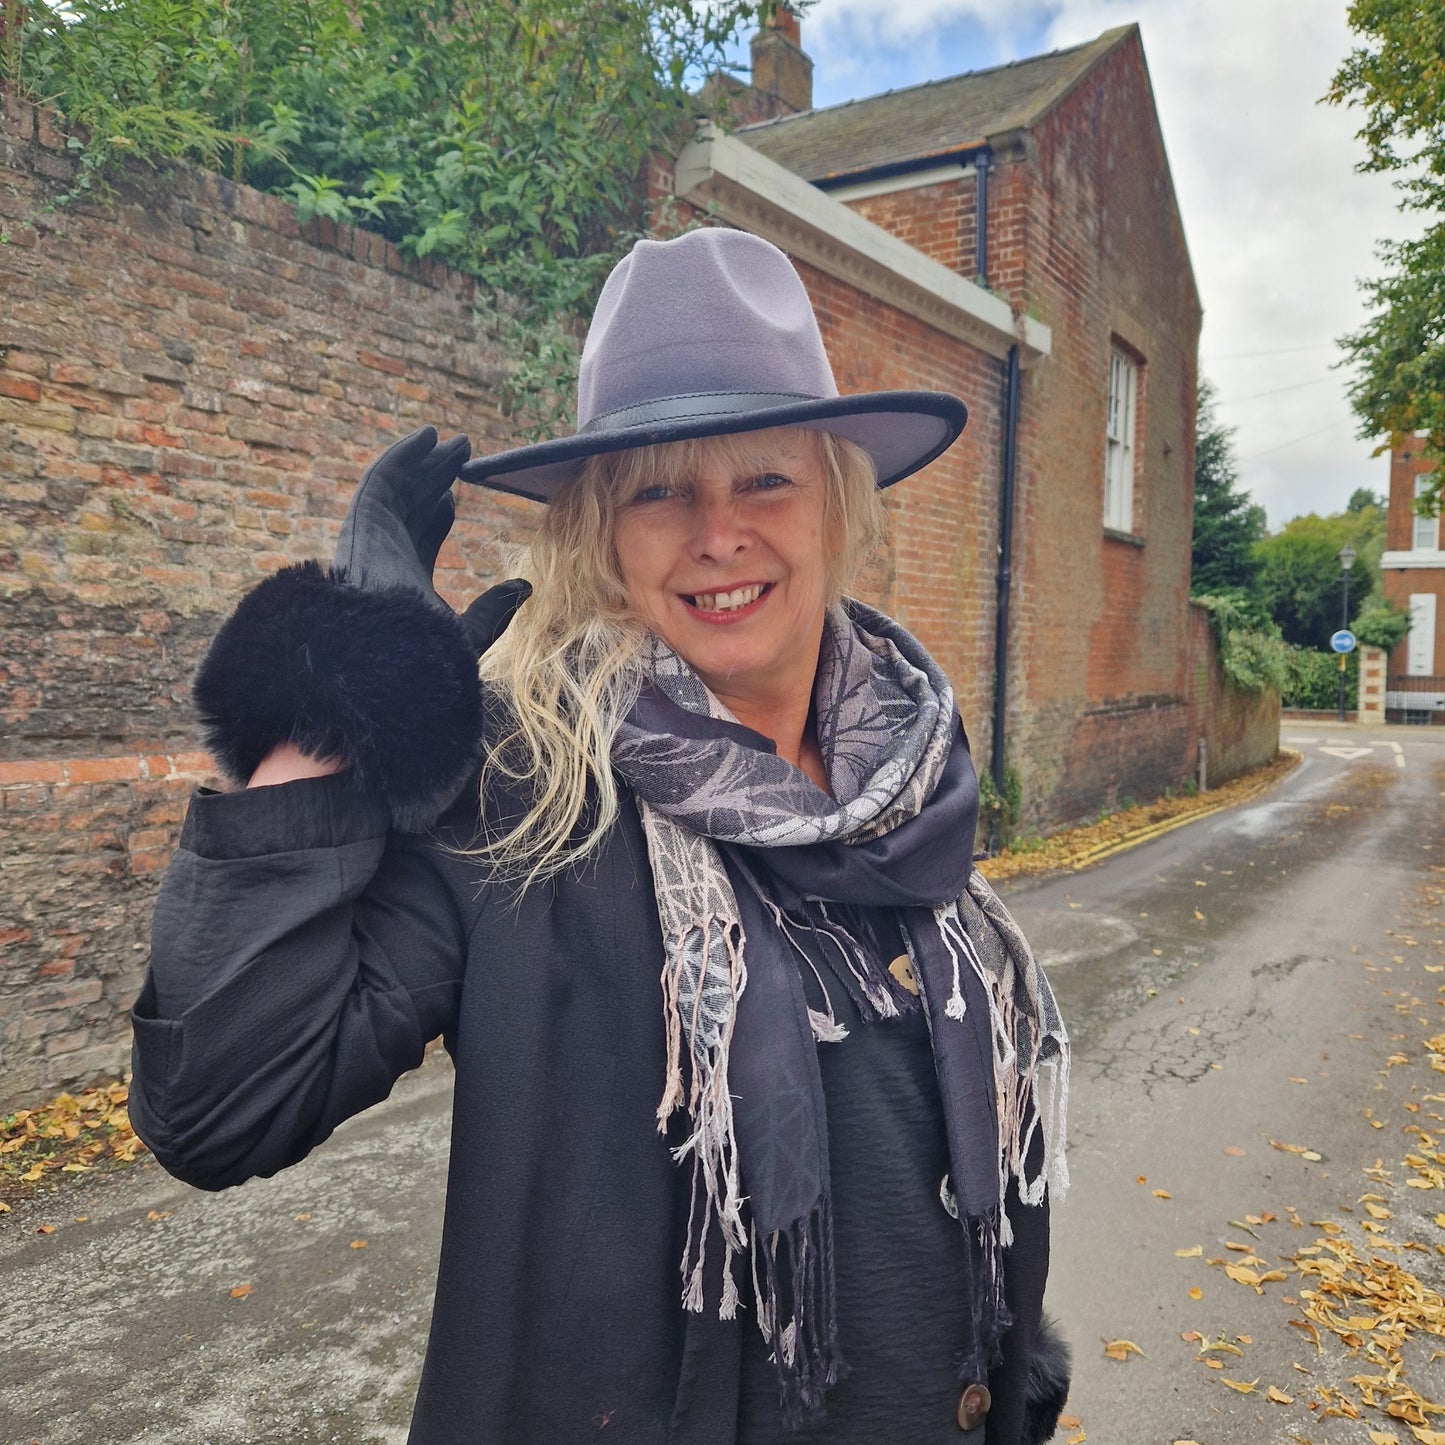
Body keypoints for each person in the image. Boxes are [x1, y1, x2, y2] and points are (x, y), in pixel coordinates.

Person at [130, 227, 1071, 1444]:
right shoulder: (520, 796)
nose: (717, 532)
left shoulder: (907, 772)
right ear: (601, 532)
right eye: (659, 489)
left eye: (764, 479)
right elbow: (217, 1105)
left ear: (836, 502)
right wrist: (340, 703)